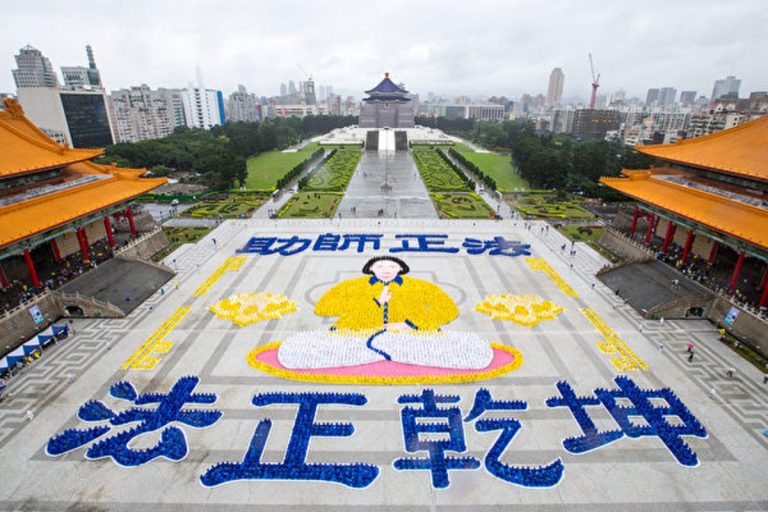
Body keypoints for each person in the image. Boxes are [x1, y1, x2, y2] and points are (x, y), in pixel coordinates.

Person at [278, 256, 493, 370]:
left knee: (466, 349)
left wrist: (409, 324)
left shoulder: (421, 286)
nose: (386, 269)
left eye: (392, 265)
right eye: (380, 265)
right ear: (371, 269)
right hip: (357, 338)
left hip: (410, 338)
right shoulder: (351, 286)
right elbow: (323, 308)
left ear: (401, 269)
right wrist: (374, 303)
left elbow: (448, 309)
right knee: (302, 350)